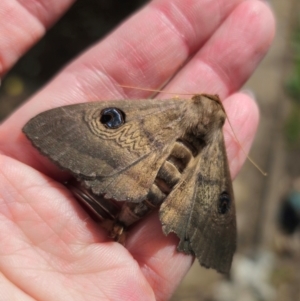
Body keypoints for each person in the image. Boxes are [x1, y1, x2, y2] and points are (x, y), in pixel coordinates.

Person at [0, 0, 275, 300]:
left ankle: (120, 223)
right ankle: (122, 225)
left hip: (134, 177)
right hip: (164, 195)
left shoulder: (172, 109)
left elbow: (105, 122)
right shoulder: (215, 145)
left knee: (112, 120)